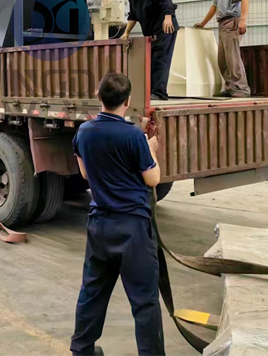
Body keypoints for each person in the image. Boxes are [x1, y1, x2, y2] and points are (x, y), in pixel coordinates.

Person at [70, 72, 164, 356]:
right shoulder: (134, 136)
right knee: (144, 301)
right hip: (132, 230)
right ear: (128, 101)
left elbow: (85, 174)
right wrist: (151, 149)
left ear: (98, 97)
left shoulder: (84, 132)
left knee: (92, 293)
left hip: (99, 226)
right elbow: (153, 179)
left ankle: (82, 350)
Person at [120, 0, 179, 100]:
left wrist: (168, 17)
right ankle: (152, 92)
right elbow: (133, 15)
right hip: (151, 33)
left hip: (165, 28)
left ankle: (159, 93)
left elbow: (166, 0)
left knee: (160, 60)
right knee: (151, 61)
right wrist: (126, 33)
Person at [195, 0, 250, 98]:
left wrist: (243, 20)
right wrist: (203, 23)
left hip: (232, 21)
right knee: (223, 59)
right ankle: (231, 87)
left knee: (232, 57)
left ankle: (241, 88)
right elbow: (214, 6)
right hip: (223, 23)